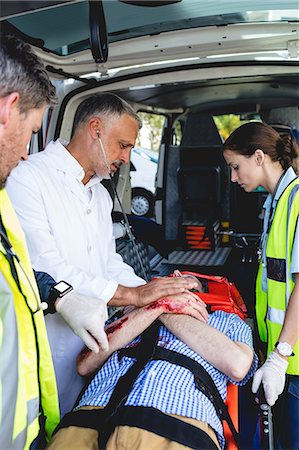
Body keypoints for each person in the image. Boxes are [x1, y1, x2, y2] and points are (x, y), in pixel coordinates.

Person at [6, 92, 202, 417]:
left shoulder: (98, 193)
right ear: (95, 129)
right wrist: (133, 295)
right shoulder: (29, 179)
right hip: (43, 348)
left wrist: (158, 292)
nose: (127, 158)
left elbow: (108, 262)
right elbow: (44, 267)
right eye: (123, 145)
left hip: (93, 346)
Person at [47, 273, 257, 450]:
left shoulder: (225, 321)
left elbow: (238, 365)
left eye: (188, 280)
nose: (176, 278)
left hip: (178, 425)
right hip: (90, 419)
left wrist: (166, 310)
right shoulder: (130, 315)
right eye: (171, 278)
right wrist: (155, 307)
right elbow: (85, 363)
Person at [223, 121, 299, 449]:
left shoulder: (296, 202)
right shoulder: (274, 204)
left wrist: (280, 357)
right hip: (282, 357)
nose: (233, 178)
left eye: (235, 167)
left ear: (258, 157)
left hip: (292, 362)